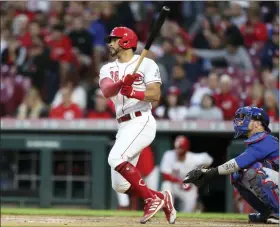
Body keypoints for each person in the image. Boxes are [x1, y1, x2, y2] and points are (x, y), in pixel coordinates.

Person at [98, 26, 176, 224]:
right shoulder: (107, 68)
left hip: (141, 120)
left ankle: (150, 200)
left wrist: (133, 92)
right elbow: (107, 91)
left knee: (115, 158)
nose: (110, 43)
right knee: (120, 186)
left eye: (114, 39)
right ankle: (160, 197)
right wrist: (122, 83)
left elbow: (155, 94)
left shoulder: (147, 64)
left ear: (125, 41)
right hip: (123, 125)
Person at [183, 106, 279, 224]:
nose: (240, 121)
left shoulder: (266, 140)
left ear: (257, 124)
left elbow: (238, 162)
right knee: (237, 175)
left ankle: (278, 212)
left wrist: (211, 172)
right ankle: (267, 213)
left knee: (253, 171)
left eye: (246, 118)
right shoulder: (257, 141)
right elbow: (237, 167)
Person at [160, 135, 213, 212]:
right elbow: (165, 175)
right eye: (177, 147)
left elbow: (209, 159)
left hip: (188, 187)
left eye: (180, 148)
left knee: (189, 208)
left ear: (186, 148)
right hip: (174, 184)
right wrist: (180, 182)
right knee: (166, 185)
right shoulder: (169, 155)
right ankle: (166, 212)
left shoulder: (193, 158)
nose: (178, 150)